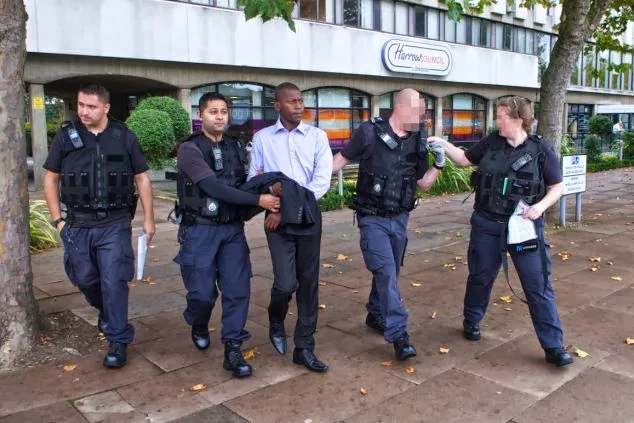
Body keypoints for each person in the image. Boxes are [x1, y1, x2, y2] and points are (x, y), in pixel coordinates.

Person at [427, 96, 574, 367]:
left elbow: (557, 187)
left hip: (523, 228)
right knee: (480, 277)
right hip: (487, 224)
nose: (497, 121)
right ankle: (472, 320)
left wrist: (540, 207)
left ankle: (554, 347)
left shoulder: (541, 149)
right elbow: (464, 160)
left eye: (502, 116)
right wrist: (443, 144)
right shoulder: (490, 142)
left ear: (518, 119)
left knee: (538, 285)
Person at [43, 84, 155, 369]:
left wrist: (149, 219)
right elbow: (51, 177)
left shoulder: (124, 136)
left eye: (91, 106)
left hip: (114, 222)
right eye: (81, 105)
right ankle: (107, 310)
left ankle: (118, 339)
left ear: (106, 107)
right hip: (77, 223)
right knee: (84, 278)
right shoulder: (66, 137)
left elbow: (141, 178)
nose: (84, 111)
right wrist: (57, 220)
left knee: (114, 280)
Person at [173, 92, 280, 378]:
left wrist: (270, 186)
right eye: (213, 112)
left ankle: (233, 348)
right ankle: (198, 322)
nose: (219, 117)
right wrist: (258, 201)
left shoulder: (235, 146)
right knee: (202, 295)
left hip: (231, 230)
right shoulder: (189, 149)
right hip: (199, 230)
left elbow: (243, 183)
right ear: (200, 116)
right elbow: (214, 188)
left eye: (223, 111)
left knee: (237, 289)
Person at [331, 88, 443, 361]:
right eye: (418, 113)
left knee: (390, 271)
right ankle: (399, 334)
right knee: (385, 272)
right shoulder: (369, 132)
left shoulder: (417, 139)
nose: (422, 119)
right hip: (372, 218)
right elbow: (339, 161)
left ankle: (375, 312)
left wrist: (438, 164)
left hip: (400, 218)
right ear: (401, 108)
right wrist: (307, 182)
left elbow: (423, 184)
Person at [248, 82, 333, 373]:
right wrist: (274, 199)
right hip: (275, 220)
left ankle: (304, 347)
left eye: (300, 101)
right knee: (286, 283)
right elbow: (255, 180)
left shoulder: (317, 137)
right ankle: (276, 317)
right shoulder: (262, 138)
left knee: (308, 284)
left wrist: (285, 205)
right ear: (277, 106)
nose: (299, 106)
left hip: (306, 218)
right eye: (292, 101)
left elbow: (320, 183)